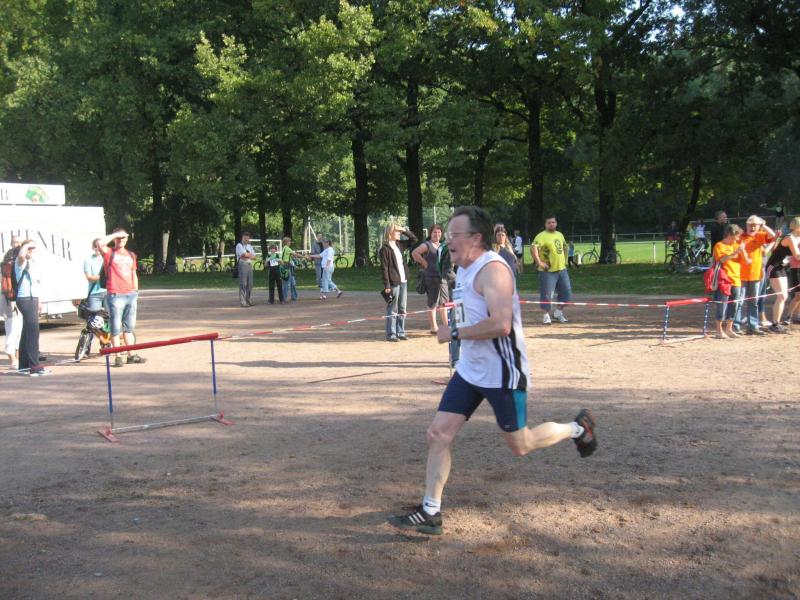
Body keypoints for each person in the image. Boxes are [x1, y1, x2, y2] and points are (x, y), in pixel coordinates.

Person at [388, 206, 597, 536]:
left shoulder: (494, 271)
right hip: (470, 371)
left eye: (455, 234)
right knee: (438, 434)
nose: (449, 240)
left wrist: (454, 333)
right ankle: (430, 511)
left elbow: (501, 324)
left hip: (503, 372)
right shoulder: (463, 269)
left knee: (520, 445)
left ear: (476, 238)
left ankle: (576, 428)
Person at [96, 228, 146, 367]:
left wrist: (136, 291)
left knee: (129, 327)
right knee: (115, 326)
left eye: (124, 237)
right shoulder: (109, 252)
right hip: (115, 294)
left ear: (127, 239)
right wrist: (115, 235)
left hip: (130, 294)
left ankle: (131, 355)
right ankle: (118, 356)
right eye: (119, 238)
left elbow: (133, 274)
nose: (121, 240)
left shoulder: (131, 255)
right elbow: (100, 243)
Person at [13, 240, 49, 376]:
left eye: (33, 248)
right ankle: (34, 366)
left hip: (33, 298)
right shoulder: (20, 261)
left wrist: (39, 301)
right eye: (29, 248)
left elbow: (36, 284)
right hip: (25, 298)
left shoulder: (33, 263)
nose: (32, 251)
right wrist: (26, 245)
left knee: (26, 332)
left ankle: (23, 366)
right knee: (33, 332)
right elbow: (21, 256)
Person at [736, 216, 775, 335]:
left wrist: (763, 225)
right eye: (750, 225)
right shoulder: (740, 237)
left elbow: (773, 236)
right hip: (741, 274)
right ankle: (736, 326)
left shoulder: (760, 235)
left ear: (758, 226)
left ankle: (752, 326)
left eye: (755, 225)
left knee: (754, 301)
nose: (752, 227)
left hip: (756, 274)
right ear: (746, 225)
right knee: (739, 301)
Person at [380, 223, 418, 341]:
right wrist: (387, 285)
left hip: (403, 281)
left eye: (399, 231)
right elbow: (384, 269)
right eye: (396, 231)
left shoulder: (399, 245)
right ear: (390, 233)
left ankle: (400, 332)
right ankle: (391, 334)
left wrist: (404, 230)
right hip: (393, 282)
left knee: (402, 308)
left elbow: (414, 239)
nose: (399, 233)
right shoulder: (384, 249)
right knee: (393, 308)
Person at [531, 216, 571, 325]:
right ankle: (546, 315)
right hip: (547, 271)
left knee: (566, 292)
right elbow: (533, 247)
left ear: (556, 223)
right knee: (547, 294)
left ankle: (558, 313)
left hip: (562, 269)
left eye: (553, 222)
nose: (551, 224)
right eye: (549, 222)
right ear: (545, 224)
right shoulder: (541, 236)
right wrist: (539, 262)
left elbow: (565, 247)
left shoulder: (560, 234)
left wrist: (565, 261)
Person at [712, 224, 749, 339]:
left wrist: (743, 252)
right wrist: (735, 252)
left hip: (736, 280)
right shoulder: (719, 245)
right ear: (729, 234)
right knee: (722, 305)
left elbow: (747, 261)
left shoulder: (736, 245)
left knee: (734, 305)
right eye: (736, 235)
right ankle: (719, 331)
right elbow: (722, 260)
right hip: (724, 280)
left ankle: (729, 329)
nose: (738, 238)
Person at [411, 224, 449, 334]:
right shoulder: (427, 245)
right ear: (430, 233)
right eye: (434, 232)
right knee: (432, 303)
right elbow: (415, 253)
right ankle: (433, 328)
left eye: (439, 232)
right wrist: (424, 263)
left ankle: (446, 326)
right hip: (431, 278)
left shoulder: (442, 245)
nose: (437, 234)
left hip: (442, 278)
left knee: (444, 303)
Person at [765, 217, 800, 333]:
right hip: (774, 266)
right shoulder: (790, 238)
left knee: (783, 296)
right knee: (782, 296)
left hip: (782, 267)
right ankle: (775, 324)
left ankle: (776, 323)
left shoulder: (797, 238)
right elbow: (797, 256)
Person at [1, 236, 23, 370]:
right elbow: (7, 284)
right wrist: (11, 299)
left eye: (20, 242)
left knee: (19, 330)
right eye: (16, 242)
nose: (18, 244)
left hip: (20, 299)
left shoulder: (19, 259)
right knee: (12, 329)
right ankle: (13, 359)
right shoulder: (9, 261)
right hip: (11, 300)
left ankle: (17, 358)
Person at [83, 238, 107, 312]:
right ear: (93, 247)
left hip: (109, 292)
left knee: (111, 316)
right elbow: (89, 278)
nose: (98, 248)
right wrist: (102, 276)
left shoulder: (108, 258)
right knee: (94, 316)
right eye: (96, 246)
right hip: (94, 293)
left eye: (101, 246)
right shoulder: (88, 260)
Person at [236, 232, 256, 307]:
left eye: (247, 238)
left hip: (249, 265)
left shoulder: (249, 246)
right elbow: (243, 255)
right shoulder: (239, 245)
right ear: (242, 238)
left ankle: (248, 300)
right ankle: (243, 301)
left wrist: (247, 255)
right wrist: (249, 255)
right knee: (243, 283)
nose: (246, 240)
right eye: (245, 238)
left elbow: (254, 257)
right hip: (243, 264)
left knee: (250, 284)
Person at [281, 237, 301, 302]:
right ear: (286, 242)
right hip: (287, 266)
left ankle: (294, 297)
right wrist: (305, 256)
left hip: (289, 266)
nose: (290, 242)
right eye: (289, 241)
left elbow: (292, 255)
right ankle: (283, 298)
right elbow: (295, 254)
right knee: (286, 283)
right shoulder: (287, 248)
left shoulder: (285, 248)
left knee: (292, 282)